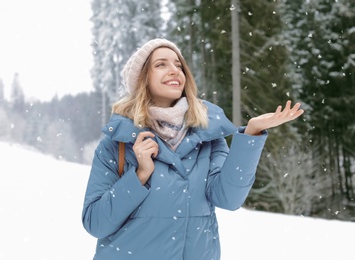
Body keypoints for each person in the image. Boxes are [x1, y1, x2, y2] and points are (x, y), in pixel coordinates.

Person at [82, 38, 304, 260]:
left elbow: (228, 198)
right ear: (142, 79)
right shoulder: (117, 143)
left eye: (179, 65)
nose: (174, 70)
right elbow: (96, 223)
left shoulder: (207, 135)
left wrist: (251, 134)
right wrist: (139, 176)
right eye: (161, 64)